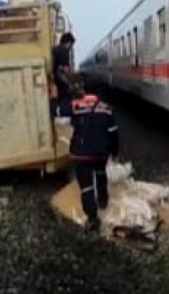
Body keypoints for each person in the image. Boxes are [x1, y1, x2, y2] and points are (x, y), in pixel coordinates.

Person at [69, 89, 119, 232]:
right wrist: (115, 153)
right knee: (100, 172)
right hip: (101, 153)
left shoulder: (76, 107)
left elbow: (69, 122)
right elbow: (113, 133)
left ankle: (92, 218)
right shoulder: (107, 109)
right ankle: (103, 200)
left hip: (81, 154)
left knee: (86, 186)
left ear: (85, 94)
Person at [51, 32, 76, 118]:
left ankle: (59, 115)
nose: (71, 47)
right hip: (61, 83)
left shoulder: (55, 49)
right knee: (65, 101)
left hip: (56, 81)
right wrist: (70, 83)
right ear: (68, 42)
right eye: (71, 45)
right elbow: (65, 70)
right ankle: (64, 117)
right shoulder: (63, 51)